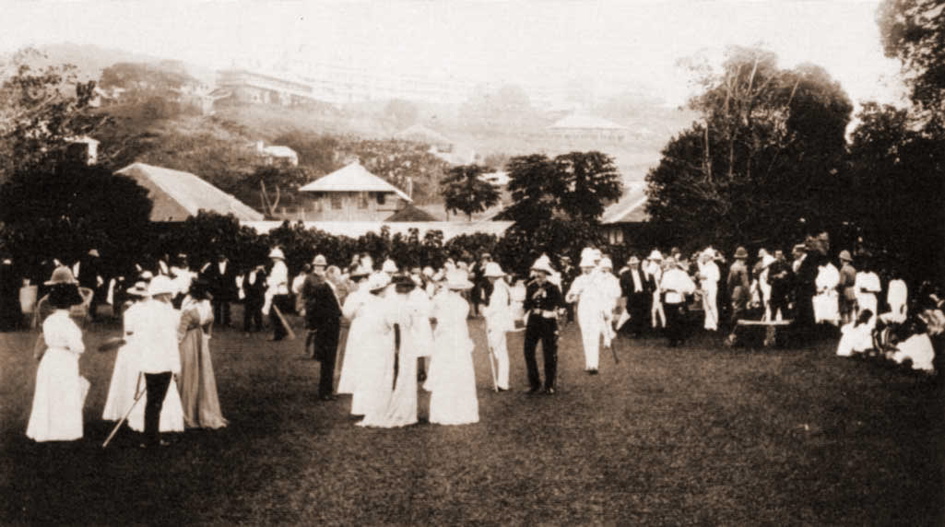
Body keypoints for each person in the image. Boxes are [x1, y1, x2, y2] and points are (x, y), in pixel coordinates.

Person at [26, 278, 88, 442]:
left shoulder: (49, 320)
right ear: (70, 304)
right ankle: (63, 431)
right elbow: (79, 347)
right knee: (64, 395)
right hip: (64, 360)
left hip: (50, 358)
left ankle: (46, 430)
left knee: (48, 394)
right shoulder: (69, 324)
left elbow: (46, 339)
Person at [425, 270, 479, 425]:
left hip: (446, 339)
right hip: (458, 339)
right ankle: (461, 410)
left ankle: (443, 411)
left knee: (445, 371)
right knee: (459, 371)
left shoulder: (442, 300)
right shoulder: (462, 303)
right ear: (461, 289)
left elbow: (434, 315)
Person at [135, 276, 183, 448]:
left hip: (149, 361)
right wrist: (176, 367)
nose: (171, 296)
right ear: (162, 294)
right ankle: (152, 439)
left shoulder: (146, 309)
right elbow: (170, 341)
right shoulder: (164, 312)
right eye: (169, 294)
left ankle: (151, 437)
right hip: (162, 362)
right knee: (156, 402)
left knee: (152, 402)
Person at [178, 279, 227, 429]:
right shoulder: (207, 305)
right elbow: (209, 323)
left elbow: (180, 332)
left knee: (186, 372)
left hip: (187, 340)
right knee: (200, 373)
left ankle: (186, 410)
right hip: (200, 340)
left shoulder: (189, 307)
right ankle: (199, 409)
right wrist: (206, 337)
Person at [102, 280, 150, 423]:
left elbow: (129, 331)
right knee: (136, 375)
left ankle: (129, 410)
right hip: (138, 345)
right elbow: (130, 331)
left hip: (132, 346)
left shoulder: (130, 311)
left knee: (129, 375)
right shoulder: (141, 311)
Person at [355, 273, 398, 427]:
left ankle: (368, 406)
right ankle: (380, 408)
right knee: (381, 375)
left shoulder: (366, 304)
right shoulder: (384, 305)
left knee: (369, 374)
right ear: (381, 290)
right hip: (381, 342)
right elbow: (390, 323)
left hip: (368, 343)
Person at [301, 255, 342, 401]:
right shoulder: (322, 286)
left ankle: (327, 389)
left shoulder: (329, 286)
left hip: (331, 325)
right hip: (326, 326)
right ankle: (324, 391)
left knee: (329, 359)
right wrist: (314, 323)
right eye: (337, 275)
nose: (339, 278)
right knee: (327, 359)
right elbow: (313, 304)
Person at [523, 256, 565, 394]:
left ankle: (549, 384)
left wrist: (554, 313)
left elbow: (561, 305)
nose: (537, 275)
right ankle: (534, 383)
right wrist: (533, 298)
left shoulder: (553, 288)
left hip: (547, 323)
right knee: (528, 351)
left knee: (549, 353)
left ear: (546, 273)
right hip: (533, 322)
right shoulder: (531, 287)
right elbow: (526, 305)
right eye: (536, 272)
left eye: (540, 272)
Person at [337, 267, 374, 414]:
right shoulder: (375, 294)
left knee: (357, 358)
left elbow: (347, 313)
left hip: (359, 328)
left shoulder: (354, 296)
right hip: (371, 329)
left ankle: (359, 389)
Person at [567, 252, 606, 374]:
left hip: (595, 309)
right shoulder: (578, 280)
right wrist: (574, 296)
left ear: (593, 267)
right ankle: (588, 363)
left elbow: (604, 296)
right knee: (585, 336)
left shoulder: (599, 279)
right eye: (584, 267)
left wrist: (604, 310)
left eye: (589, 267)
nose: (586, 269)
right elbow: (569, 296)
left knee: (594, 335)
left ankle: (594, 365)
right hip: (583, 309)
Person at [482, 262, 513, 391]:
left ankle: (502, 382)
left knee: (498, 350)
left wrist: (485, 311)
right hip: (500, 322)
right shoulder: (502, 286)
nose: (488, 279)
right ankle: (502, 382)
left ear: (492, 276)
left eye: (489, 276)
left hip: (498, 322)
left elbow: (496, 307)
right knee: (501, 352)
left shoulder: (500, 288)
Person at [660, 257, 697, 347]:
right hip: (668, 298)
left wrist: (686, 291)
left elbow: (691, 285)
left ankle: (680, 338)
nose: (671, 264)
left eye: (672, 262)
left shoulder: (681, 273)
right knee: (670, 319)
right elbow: (662, 285)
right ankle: (672, 340)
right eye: (669, 262)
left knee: (678, 319)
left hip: (678, 298)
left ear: (676, 263)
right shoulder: (666, 274)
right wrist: (663, 289)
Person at [619, 255, 651, 337]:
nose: (634, 265)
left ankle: (641, 332)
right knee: (633, 313)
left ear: (638, 264)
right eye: (632, 264)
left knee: (643, 312)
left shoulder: (643, 273)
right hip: (632, 295)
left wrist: (647, 291)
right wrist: (626, 293)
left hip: (642, 295)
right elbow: (622, 285)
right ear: (629, 265)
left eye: (636, 264)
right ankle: (634, 331)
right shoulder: (625, 274)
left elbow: (648, 283)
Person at [265, 248, 292, 341]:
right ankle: (281, 331)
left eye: (274, 257)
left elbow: (280, 280)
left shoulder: (281, 266)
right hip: (276, 291)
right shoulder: (277, 266)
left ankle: (279, 333)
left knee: (275, 313)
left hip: (279, 292)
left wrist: (270, 281)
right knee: (275, 313)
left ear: (278, 257)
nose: (272, 259)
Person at [204, 253, 237, 328]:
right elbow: (210, 276)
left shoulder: (230, 266)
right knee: (217, 305)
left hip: (227, 287)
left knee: (226, 305)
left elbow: (232, 277)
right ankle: (217, 321)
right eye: (220, 256)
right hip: (217, 288)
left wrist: (232, 287)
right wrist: (213, 285)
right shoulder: (213, 265)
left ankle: (227, 321)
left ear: (225, 257)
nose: (221, 257)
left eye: (223, 256)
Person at [727, 247, 751, 328]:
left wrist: (731, 292)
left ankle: (734, 328)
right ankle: (734, 329)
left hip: (735, 290)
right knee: (740, 311)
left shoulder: (733, 266)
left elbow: (729, 282)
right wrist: (749, 296)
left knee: (736, 309)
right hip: (741, 291)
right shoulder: (742, 268)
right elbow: (745, 284)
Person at [697, 249, 720, 331]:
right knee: (706, 306)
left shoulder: (713, 266)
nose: (704, 257)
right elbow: (699, 263)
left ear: (710, 257)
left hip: (711, 287)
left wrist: (703, 277)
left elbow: (716, 277)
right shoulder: (705, 266)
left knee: (711, 304)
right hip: (705, 287)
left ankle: (714, 323)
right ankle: (708, 324)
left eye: (706, 255)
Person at [240, 263, 267, 334]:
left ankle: (258, 327)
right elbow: (244, 284)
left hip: (258, 295)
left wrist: (261, 293)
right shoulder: (247, 274)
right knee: (247, 312)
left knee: (257, 311)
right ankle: (247, 328)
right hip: (249, 295)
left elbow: (265, 285)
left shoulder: (261, 274)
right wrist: (245, 292)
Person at [838, 251, 858, 325]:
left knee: (843, 311)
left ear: (842, 260)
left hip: (845, 291)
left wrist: (838, 289)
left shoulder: (843, 269)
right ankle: (851, 326)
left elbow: (842, 283)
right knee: (851, 311)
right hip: (852, 291)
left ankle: (845, 327)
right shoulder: (853, 269)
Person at [0, 251, 19, 331]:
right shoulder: (14, 268)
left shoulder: (0, 268)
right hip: (12, 291)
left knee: (2, 307)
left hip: (2, 291)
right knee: (11, 307)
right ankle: (11, 325)